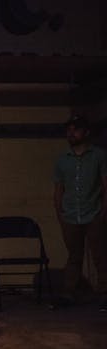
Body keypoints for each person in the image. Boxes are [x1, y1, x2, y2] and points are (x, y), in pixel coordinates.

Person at [53, 115, 107, 310]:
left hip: (93, 212)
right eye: (69, 130)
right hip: (70, 215)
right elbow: (59, 188)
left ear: (86, 132)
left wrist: (103, 212)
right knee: (74, 256)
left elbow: (105, 184)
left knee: (100, 255)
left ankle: (104, 293)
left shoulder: (99, 156)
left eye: (75, 129)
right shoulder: (62, 160)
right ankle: (69, 293)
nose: (71, 133)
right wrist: (59, 213)